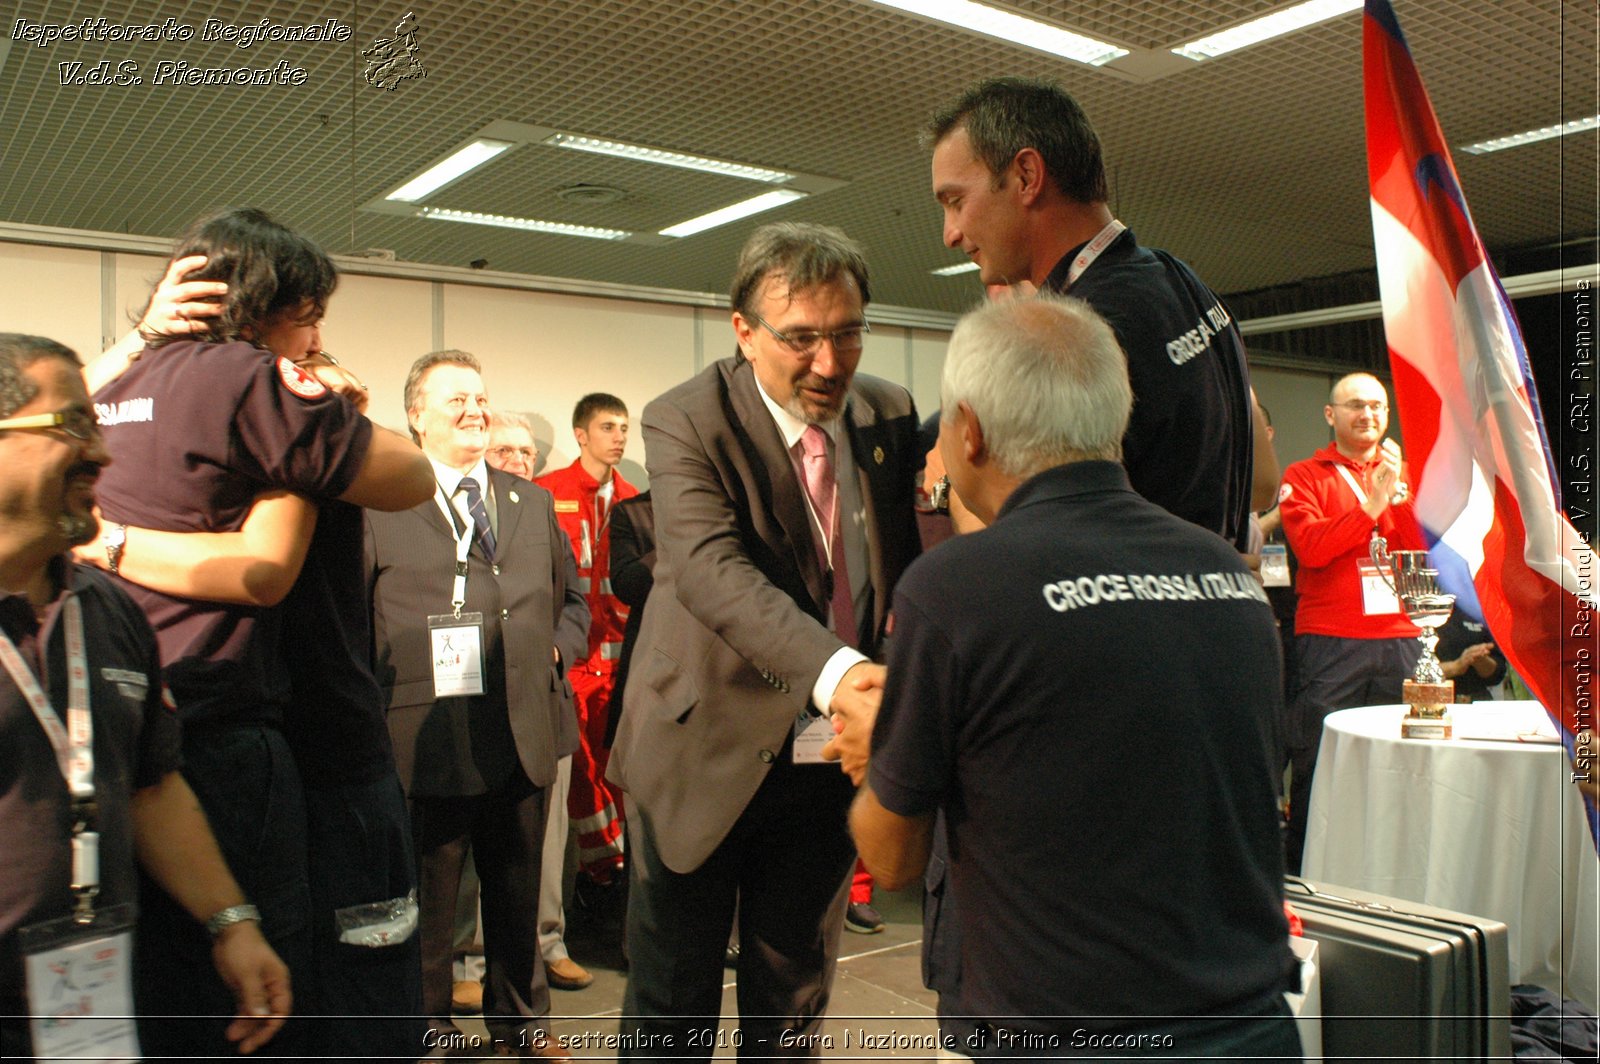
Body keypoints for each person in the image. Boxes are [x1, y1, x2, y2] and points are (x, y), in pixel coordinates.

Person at [839, 296, 1301, 1059]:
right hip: (1250, 1024)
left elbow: (891, 857)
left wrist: (875, 745)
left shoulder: (958, 587)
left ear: (970, 430)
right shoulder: (1223, 571)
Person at [87, 208, 435, 1057]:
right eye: (309, 314)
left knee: (175, 984)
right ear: (265, 305)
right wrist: (324, 417)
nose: (316, 337)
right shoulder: (250, 382)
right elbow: (408, 479)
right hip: (250, 730)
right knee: (293, 983)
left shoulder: (109, 391)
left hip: (133, 722)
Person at [607, 221, 921, 1059]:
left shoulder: (887, 410)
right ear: (743, 331)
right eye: (802, 339)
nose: (830, 363)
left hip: (823, 758)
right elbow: (712, 571)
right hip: (699, 749)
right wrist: (848, 674)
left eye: (849, 332)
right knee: (672, 1001)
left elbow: (912, 561)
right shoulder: (686, 418)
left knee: (793, 1001)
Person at [0, 333, 290, 1061]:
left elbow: (151, 787)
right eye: (71, 427)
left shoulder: (108, 609)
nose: (101, 455)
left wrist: (231, 921)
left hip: (91, 1004)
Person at [926, 76, 1269, 549]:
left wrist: (953, 484)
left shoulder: (1075, 336)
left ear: (1026, 176)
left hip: (1129, 611)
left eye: (956, 201)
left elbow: (1036, 549)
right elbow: (1261, 481)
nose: (950, 232)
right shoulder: (1180, 277)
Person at [366, 351, 587, 1060]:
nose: (474, 409)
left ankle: (524, 1025)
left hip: (524, 729)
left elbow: (574, 601)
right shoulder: (381, 504)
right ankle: (428, 1027)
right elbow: (351, 617)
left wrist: (559, 650)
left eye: (481, 397)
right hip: (427, 736)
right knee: (430, 906)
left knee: (519, 901)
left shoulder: (530, 501)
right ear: (416, 416)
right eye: (456, 398)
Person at [1278, 372, 1426, 871]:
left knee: (1403, 764)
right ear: (1330, 415)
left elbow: (1423, 555)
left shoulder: (1407, 474)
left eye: (1378, 407)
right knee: (1318, 763)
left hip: (1403, 637)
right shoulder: (1304, 475)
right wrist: (1373, 505)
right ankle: (1305, 876)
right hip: (1332, 639)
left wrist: (1398, 496)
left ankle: (1396, 872)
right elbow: (1312, 549)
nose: (1368, 415)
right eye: (1355, 405)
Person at [487, 409, 591, 995]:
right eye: (506, 452)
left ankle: (547, 946)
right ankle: (471, 961)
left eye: (528, 454)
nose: (520, 462)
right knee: (483, 855)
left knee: (546, 843)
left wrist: (555, 651)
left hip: (544, 703)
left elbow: (575, 603)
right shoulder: (464, 516)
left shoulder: (545, 516)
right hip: (478, 704)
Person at [536, 393, 638, 961]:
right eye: (607, 427)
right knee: (580, 779)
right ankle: (601, 877)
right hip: (572, 663)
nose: (619, 437)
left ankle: (612, 892)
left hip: (620, 666)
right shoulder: (548, 493)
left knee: (618, 778)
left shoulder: (632, 500)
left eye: (624, 427)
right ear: (581, 434)